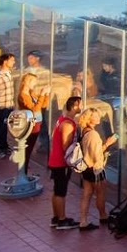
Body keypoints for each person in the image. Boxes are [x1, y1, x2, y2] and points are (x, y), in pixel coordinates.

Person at [46, 94, 82, 229]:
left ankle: (56, 217)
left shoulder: (62, 119)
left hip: (55, 160)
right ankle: (61, 219)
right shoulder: (68, 124)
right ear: (74, 106)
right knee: (61, 191)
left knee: (57, 190)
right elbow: (66, 146)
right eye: (80, 105)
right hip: (61, 163)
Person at [76, 108, 115, 230]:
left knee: (86, 194)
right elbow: (96, 154)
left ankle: (83, 221)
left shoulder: (84, 131)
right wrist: (107, 144)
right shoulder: (93, 134)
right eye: (95, 116)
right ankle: (103, 216)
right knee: (100, 193)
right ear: (89, 118)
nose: (98, 118)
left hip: (86, 168)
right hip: (95, 169)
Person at [16, 52, 49, 176]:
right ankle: (22, 171)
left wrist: (45, 94)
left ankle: (24, 170)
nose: (35, 84)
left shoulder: (31, 93)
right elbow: (34, 108)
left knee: (30, 146)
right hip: (31, 123)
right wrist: (41, 95)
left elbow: (42, 105)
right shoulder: (24, 95)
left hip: (37, 121)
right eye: (34, 82)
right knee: (28, 147)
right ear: (28, 82)